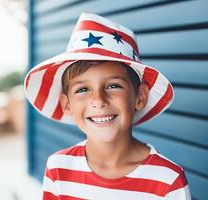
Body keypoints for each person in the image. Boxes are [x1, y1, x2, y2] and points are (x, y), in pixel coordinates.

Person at [24, 12, 191, 199]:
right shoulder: (58, 168)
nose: (98, 100)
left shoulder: (167, 181)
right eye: (82, 89)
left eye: (113, 86)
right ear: (67, 104)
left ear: (140, 96)